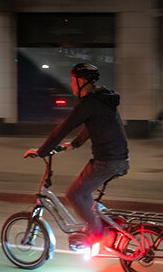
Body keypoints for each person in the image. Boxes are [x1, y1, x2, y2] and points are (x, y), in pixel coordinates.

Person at [24, 63, 129, 248]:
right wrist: (73, 145)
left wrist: (42, 151)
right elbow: (93, 125)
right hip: (118, 158)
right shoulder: (102, 99)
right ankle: (110, 223)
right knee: (86, 195)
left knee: (74, 195)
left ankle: (96, 233)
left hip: (107, 161)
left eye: (73, 81)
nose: (72, 86)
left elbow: (63, 128)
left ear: (82, 81)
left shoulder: (89, 102)